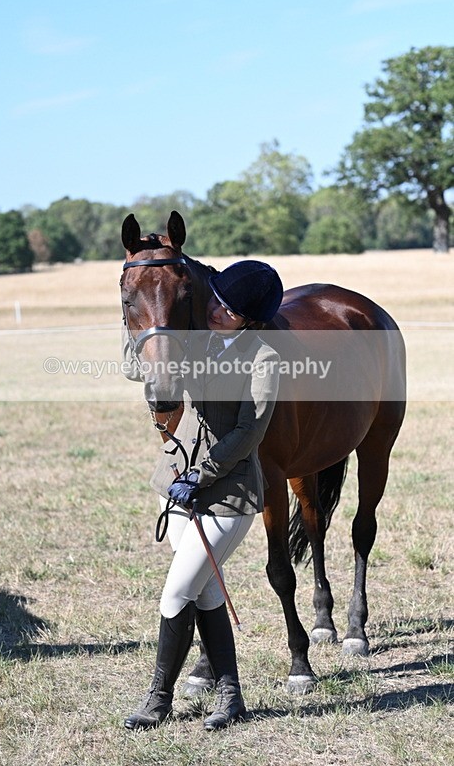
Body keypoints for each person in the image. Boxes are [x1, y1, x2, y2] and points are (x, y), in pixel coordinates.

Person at [124, 260, 283, 731]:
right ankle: (231, 696)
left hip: (226, 492)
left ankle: (159, 700)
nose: (217, 312)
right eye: (217, 300)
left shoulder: (264, 359)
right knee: (206, 590)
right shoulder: (193, 341)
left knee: (177, 593)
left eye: (230, 311)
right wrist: (139, 322)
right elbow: (137, 370)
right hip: (173, 482)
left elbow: (249, 431)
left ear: (249, 321)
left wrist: (203, 475)